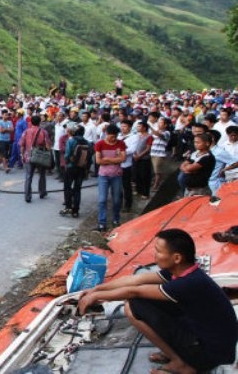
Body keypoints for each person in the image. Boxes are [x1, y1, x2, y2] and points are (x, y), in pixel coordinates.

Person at [78, 229, 237, 373]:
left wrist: (95, 297)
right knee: (145, 302)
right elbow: (136, 280)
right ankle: (179, 354)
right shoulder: (184, 271)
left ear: (177, 258)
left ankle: (182, 364)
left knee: (134, 305)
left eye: (159, 251)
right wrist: (96, 289)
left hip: (211, 353)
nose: (155, 256)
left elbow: (134, 291)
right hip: (213, 340)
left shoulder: (187, 283)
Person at [94, 124, 127, 232]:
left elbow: (123, 158)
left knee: (117, 199)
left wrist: (107, 159)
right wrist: (115, 159)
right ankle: (102, 222)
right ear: (107, 134)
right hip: (103, 175)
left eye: (115, 136)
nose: (114, 139)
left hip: (116, 175)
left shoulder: (121, 143)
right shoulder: (99, 144)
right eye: (112, 136)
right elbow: (98, 161)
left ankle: (116, 219)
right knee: (102, 199)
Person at [20, 114, 50, 203]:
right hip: (40, 156)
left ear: (31, 122)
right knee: (42, 174)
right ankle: (42, 192)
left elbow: (22, 145)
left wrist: (22, 155)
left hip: (28, 156)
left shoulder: (26, 131)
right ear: (39, 122)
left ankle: (27, 196)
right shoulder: (44, 132)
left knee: (28, 176)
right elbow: (48, 146)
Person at [61, 125, 89, 218]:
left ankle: (68, 207)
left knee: (67, 187)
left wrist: (67, 161)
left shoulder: (71, 140)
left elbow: (67, 155)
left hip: (71, 167)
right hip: (81, 168)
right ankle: (75, 211)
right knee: (77, 189)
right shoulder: (87, 142)